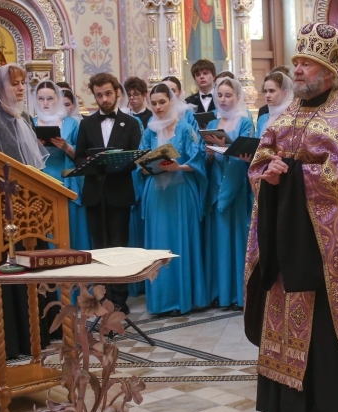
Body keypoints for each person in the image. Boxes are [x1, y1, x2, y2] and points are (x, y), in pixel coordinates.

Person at [244, 23, 338, 412]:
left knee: (325, 333)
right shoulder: (288, 115)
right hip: (284, 243)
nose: (297, 69)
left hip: (326, 254)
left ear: (328, 72)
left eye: (306, 64)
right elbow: (261, 161)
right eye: (296, 62)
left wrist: (292, 174)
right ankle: (285, 409)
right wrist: (268, 172)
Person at [0, 64, 57, 358]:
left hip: (30, 205)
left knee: (33, 262)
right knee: (11, 265)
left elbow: (33, 161)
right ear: (0, 88)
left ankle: (40, 330)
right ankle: (14, 337)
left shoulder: (24, 116)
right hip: (5, 207)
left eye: (23, 83)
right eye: (14, 83)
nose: (21, 88)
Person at [74, 73, 142, 315]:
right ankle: (102, 298)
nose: (104, 99)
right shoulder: (86, 124)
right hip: (95, 193)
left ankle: (120, 300)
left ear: (117, 93)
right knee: (100, 248)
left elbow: (135, 157)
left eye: (108, 94)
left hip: (119, 191)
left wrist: (116, 162)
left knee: (119, 248)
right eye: (99, 95)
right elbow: (78, 157)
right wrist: (92, 162)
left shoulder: (131, 123)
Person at [140, 84, 208, 315]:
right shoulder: (148, 131)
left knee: (181, 244)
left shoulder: (186, 128)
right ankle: (161, 301)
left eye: (162, 102)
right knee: (158, 246)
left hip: (181, 194)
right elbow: (140, 166)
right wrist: (148, 167)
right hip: (156, 195)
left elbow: (198, 161)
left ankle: (183, 300)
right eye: (154, 103)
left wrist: (178, 166)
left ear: (172, 101)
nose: (158, 107)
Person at [203, 77, 254, 311]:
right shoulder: (212, 122)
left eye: (228, 95)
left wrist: (244, 156)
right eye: (220, 95)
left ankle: (239, 294)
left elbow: (249, 153)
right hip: (216, 184)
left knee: (238, 239)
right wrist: (208, 155)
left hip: (237, 186)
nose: (223, 100)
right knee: (219, 240)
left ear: (237, 96)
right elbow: (205, 157)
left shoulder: (245, 122)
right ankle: (220, 293)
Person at [32, 81, 92, 252]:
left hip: (66, 179)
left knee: (69, 225)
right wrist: (35, 146)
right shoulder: (31, 123)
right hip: (39, 179)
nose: (45, 103)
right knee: (45, 226)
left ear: (57, 99)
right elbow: (22, 155)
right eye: (41, 98)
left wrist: (65, 146)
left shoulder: (71, 123)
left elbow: (81, 156)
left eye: (50, 98)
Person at [256, 72, 293, 137]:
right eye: (265, 91)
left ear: (285, 93)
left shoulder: (292, 117)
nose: (267, 95)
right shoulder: (263, 119)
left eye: (272, 91)